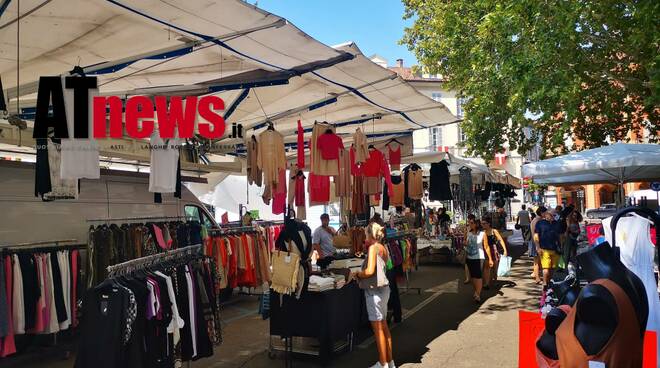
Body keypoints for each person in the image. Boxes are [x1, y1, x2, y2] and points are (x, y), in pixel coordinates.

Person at [352, 222, 395, 368]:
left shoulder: (373, 248)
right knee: (384, 327)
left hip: (374, 292)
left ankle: (382, 364)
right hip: (384, 290)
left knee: (378, 330)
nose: (365, 236)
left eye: (366, 233)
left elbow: (369, 271)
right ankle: (389, 362)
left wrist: (358, 273)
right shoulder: (383, 248)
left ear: (370, 234)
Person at [534, 209, 562, 287]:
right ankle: (545, 283)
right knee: (546, 268)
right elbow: (536, 236)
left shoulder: (556, 224)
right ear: (546, 214)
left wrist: (561, 246)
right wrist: (538, 247)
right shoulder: (540, 223)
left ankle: (549, 282)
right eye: (552, 215)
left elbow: (559, 236)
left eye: (554, 215)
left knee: (553, 268)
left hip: (555, 249)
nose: (553, 216)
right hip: (544, 249)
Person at [481, 217, 508, 288]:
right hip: (485, 250)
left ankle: (495, 280)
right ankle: (486, 283)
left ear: (488, 224)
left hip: (494, 249)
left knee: (495, 267)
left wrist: (505, 250)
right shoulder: (482, 232)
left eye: (484, 223)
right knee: (486, 266)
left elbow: (500, 240)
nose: (482, 225)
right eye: (482, 224)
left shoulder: (494, 231)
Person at [465, 216, 485, 302]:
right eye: (469, 223)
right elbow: (465, 242)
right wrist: (465, 243)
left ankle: (478, 294)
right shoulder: (468, 233)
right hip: (469, 256)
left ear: (476, 224)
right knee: (473, 276)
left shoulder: (482, 234)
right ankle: (476, 291)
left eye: (471, 223)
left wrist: (490, 258)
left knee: (478, 275)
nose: (470, 224)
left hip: (479, 257)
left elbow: (486, 246)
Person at [529, 207, 546, 284]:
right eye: (545, 213)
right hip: (536, 242)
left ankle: (536, 276)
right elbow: (536, 234)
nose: (546, 214)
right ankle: (537, 278)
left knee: (537, 261)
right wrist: (537, 245)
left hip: (535, 242)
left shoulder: (535, 220)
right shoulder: (537, 221)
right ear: (541, 213)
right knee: (537, 261)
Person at [463, 214, 477, 284]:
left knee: (475, 264)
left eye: (471, 221)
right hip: (468, 247)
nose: (469, 222)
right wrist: (465, 242)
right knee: (467, 263)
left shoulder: (477, 228)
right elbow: (464, 237)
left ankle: (474, 277)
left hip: (475, 248)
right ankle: (468, 278)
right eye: (469, 220)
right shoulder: (467, 228)